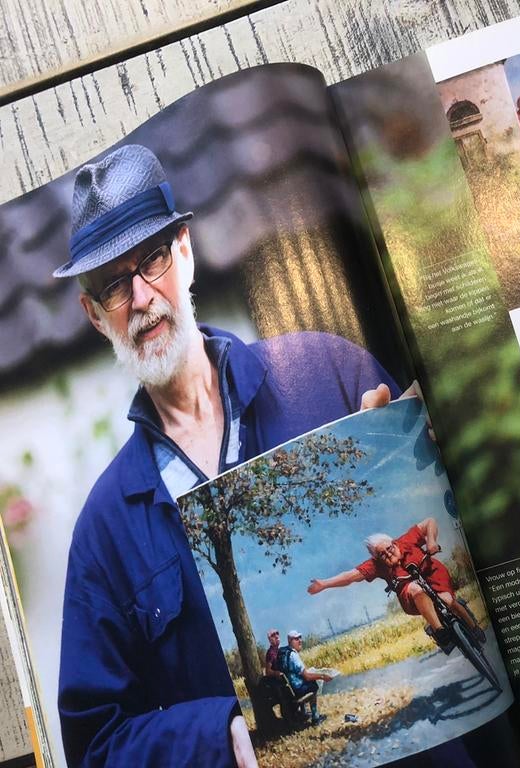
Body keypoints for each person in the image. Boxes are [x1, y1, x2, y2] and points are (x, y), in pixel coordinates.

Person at [54, 144, 403, 768]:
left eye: (153, 259)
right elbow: (95, 747)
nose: (140, 297)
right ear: (94, 315)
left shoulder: (328, 370)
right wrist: (216, 740)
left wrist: (406, 441)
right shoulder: (103, 531)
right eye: (112, 285)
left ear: (185, 252)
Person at [307, 517, 483, 649]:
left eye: (389, 549)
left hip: (433, 576)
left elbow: (430, 522)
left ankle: (474, 627)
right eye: (382, 554)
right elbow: (350, 576)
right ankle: (439, 630)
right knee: (414, 588)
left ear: (393, 542)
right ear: (377, 558)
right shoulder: (376, 565)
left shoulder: (406, 541)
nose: (388, 554)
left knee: (450, 603)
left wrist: (431, 542)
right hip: (411, 595)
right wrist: (324, 584)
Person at [277, 631, 331, 725]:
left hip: (290, 689)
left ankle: (303, 712)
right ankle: (315, 717)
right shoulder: (293, 656)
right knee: (314, 684)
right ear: (290, 641)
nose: (300, 641)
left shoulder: (284, 653)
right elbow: (307, 677)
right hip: (297, 689)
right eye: (296, 639)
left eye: (300, 638)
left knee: (311, 679)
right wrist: (322, 676)